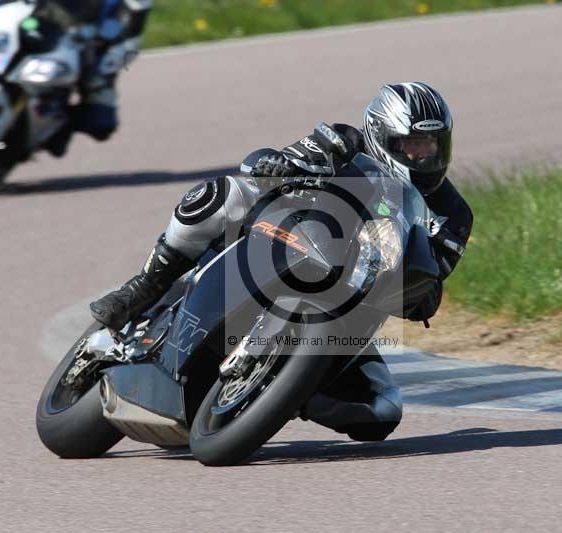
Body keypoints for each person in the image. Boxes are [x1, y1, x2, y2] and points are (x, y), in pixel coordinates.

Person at [90, 82, 474, 441]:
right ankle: (145, 286)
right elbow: (281, 161)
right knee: (225, 193)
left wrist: (420, 291)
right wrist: (277, 166)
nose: (423, 156)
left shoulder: (453, 214)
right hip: (287, 241)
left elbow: (433, 279)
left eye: (431, 145)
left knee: (382, 411)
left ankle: (287, 392)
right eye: (412, 145)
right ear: (380, 135)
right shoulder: (341, 142)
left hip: (353, 307)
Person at [32, 0, 153, 150]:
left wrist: (101, 73)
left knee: (100, 121)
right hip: (37, 23)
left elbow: (130, 44)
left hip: (84, 50)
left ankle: (47, 130)